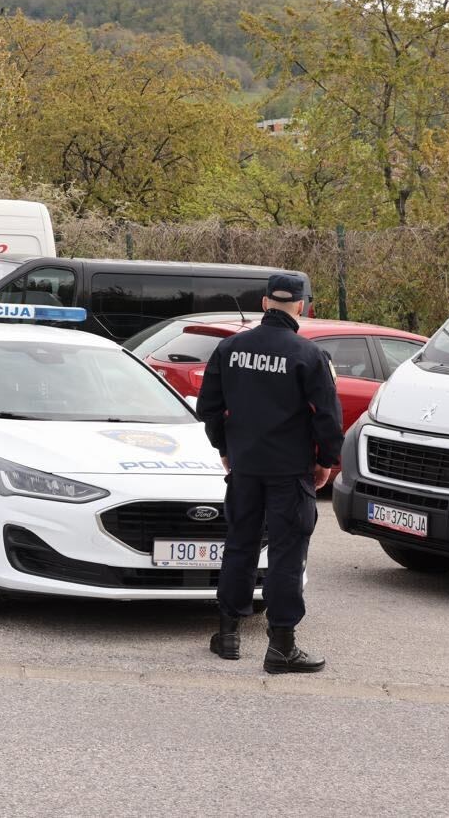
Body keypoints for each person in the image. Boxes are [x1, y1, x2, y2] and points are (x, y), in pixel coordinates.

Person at [194, 273, 343, 674]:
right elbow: (328, 417)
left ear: (264, 304)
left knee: (240, 545)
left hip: (244, 469)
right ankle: (281, 646)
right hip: (288, 472)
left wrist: (224, 448)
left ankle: (227, 635)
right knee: (285, 556)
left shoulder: (229, 348)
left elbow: (207, 407)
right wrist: (326, 461)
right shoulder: (309, 356)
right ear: (301, 306)